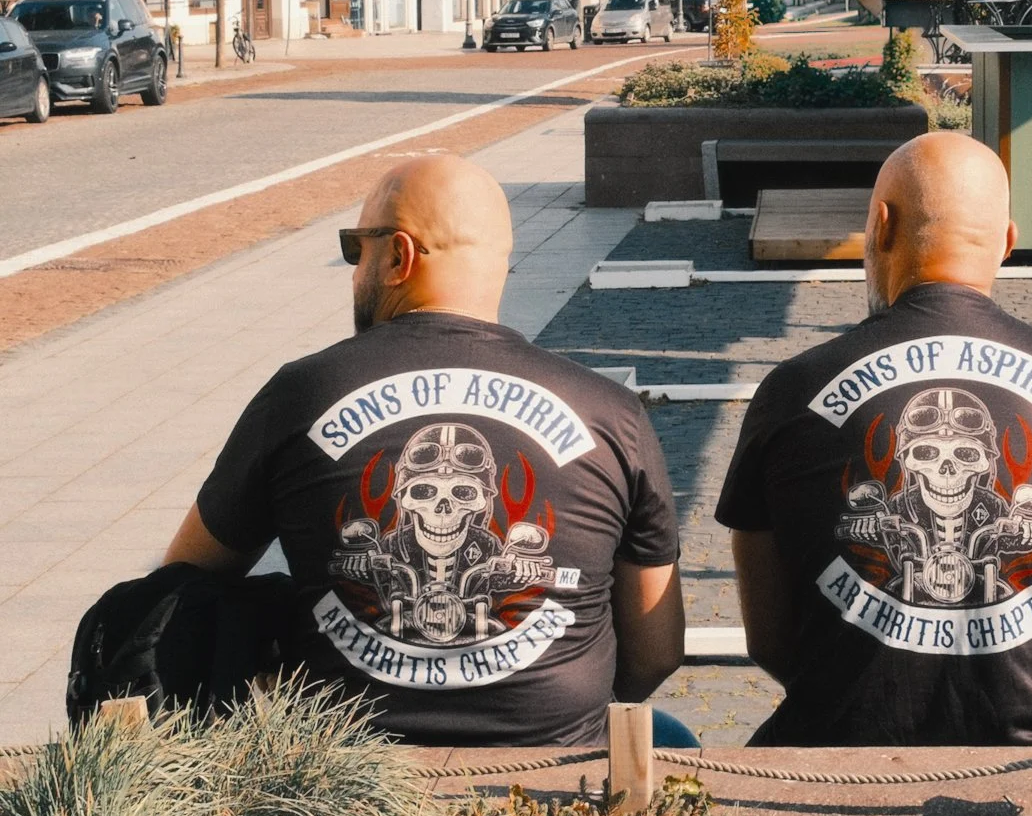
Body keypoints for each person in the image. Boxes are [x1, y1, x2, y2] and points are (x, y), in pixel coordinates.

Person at [162, 155, 689, 748]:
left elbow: (182, 582)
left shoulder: (299, 395)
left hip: (345, 791)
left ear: (397, 257)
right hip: (554, 783)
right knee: (671, 737)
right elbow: (656, 653)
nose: (442, 509)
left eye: (354, 248)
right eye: (424, 492)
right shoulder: (611, 412)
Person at [716, 133, 1032, 747]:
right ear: (1009, 240)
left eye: (963, 456)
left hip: (837, 764)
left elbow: (769, 641)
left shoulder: (792, 392)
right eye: (925, 455)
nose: (946, 471)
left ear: (879, 224)